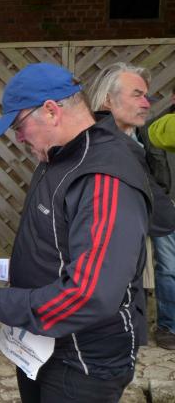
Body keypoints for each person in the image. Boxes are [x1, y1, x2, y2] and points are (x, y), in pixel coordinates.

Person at [0, 62, 153, 402]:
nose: (19, 137)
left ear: (51, 111)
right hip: (41, 346)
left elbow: (91, 293)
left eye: (19, 125)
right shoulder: (59, 156)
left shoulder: (103, 175)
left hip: (82, 361)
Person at [88, 63, 175, 349]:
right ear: (107, 100)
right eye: (137, 95)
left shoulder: (134, 140)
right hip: (104, 285)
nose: (146, 103)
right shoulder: (101, 147)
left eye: (146, 95)